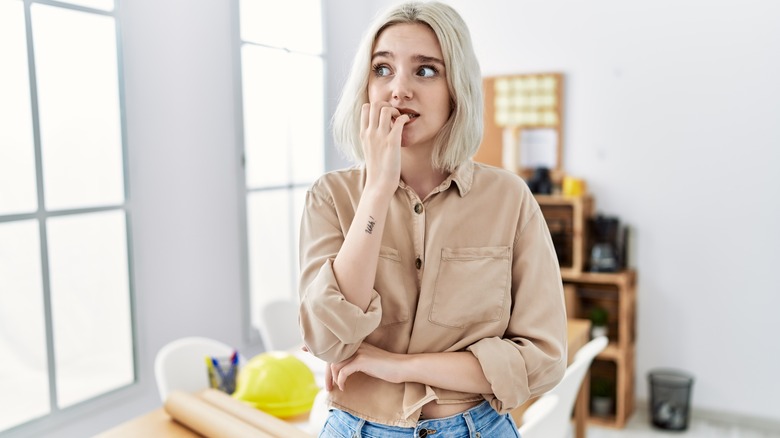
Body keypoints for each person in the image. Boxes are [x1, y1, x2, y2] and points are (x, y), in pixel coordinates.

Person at [298, 1, 567, 436]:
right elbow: (330, 341)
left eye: (425, 71)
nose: (398, 90)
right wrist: (377, 192)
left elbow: (543, 361)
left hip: (477, 427)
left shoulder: (510, 199)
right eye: (382, 69)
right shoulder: (330, 197)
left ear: (456, 87)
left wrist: (397, 367)